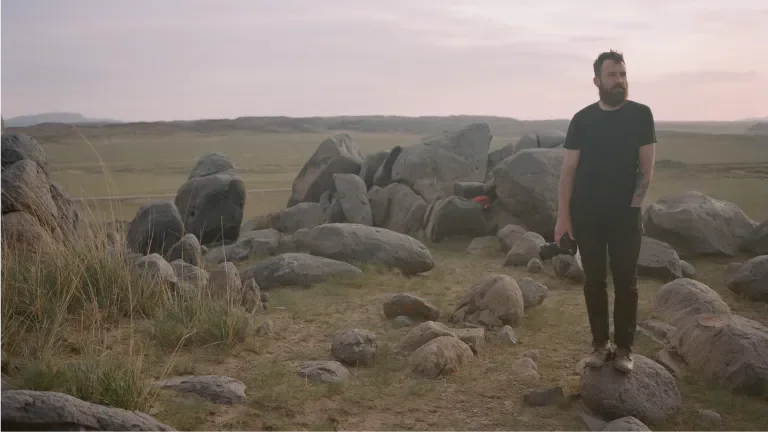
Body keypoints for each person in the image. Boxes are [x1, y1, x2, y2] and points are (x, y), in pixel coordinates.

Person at [554, 50, 656, 374]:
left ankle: (624, 349)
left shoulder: (641, 115)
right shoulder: (582, 120)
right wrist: (563, 218)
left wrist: (634, 206)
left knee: (626, 282)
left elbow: (646, 168)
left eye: (623, 74)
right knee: (594, 281)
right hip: (587, 214)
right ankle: (600, 345)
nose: (619, 80)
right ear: (597, 81)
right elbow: (568, 171)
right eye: (612, 75)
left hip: (626, 215)